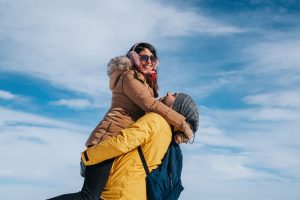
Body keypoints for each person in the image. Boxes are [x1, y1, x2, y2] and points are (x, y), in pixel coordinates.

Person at [48, 43, 193, 200]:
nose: (149, 61)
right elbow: (150, 104)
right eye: (144, 57)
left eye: (152, 58)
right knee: (88, 196)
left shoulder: (146, 84)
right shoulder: (129, 77)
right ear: (134, 58)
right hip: (109, 139)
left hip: (119, 142)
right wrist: (182, 123)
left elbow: (155, 106)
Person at [81, 92, 199, 200]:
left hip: (121, 189)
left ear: (175, 108)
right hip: (137, 193)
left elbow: (121, 142)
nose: (169, 93)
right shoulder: (168, 134)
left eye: (174, 95)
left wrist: (88, 157)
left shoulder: (155, 120)